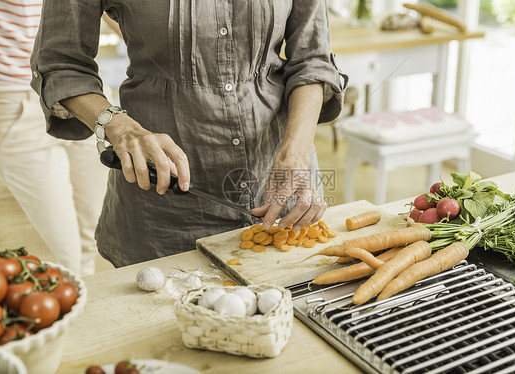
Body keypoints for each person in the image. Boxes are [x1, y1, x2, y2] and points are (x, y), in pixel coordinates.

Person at [30, 1, 347, 267]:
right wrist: (119, 128)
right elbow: (60, 65)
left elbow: (312, 59)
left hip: (286, 189)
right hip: (164, 211)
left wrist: (297, 150)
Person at [0, 1, 118, 276]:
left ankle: (85, 314)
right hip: (16, 96)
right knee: (61, 255)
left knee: (95, 235)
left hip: (85, 93)